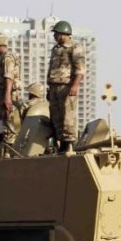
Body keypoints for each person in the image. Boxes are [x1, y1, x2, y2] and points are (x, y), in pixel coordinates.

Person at [47, 20, 85, 153]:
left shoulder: (75, 47)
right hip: (54, 86)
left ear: (63, 34)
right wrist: (49, 88)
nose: (54, 36)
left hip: (67, 86)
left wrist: (74, 86)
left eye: (56, 34)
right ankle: (61, 143)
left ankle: (69, 143)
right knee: (55, 115)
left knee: (68, 116)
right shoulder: (56, 49)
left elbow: (80, 70)